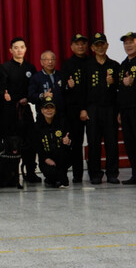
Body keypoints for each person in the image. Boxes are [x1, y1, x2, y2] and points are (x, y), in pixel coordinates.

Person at [0, 37, 39, 182]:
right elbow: (0, 88)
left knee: (29, 141)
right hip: (9, 111)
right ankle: (11, 174)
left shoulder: (31, 68)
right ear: (10, 50)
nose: (19, 50)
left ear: (26, 49)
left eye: (22, 47)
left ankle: (31, 172)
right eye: (16, 47)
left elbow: (34, 89)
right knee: (11, 143)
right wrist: (4, 95)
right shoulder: (4, 67)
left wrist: (28, 98)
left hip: (25, 110)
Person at [80, 33, 120, 184]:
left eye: (102, 44)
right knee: (94, 142)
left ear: (107, 46)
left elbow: (120, 90)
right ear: (92, 48)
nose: (100, 47)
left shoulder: (114, 66)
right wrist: (83, 109)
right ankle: (95, 173)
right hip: (92, 109)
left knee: (111, 142)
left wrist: (114, 81)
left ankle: (112, 173)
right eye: (97, 45)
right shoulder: (87, 66)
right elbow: (82, 90)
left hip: (110, 109)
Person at [61, 33, 89, 183]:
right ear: (71, 46)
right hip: (73, 110)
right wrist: (67, 86)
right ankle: (77, 174)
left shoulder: (91, 62)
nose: (80, 46)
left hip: (90, 108)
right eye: (77, 44)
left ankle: (95, 173)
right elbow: (63, 89)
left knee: (94, 141)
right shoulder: (67, 65)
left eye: (82, 43)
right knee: (76, 143)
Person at [33, 96, 72, 188]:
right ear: (42, 110)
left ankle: (60, 176)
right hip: (46, 159)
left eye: (51, 108)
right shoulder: (37, 127)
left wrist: (68, 141)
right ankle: (52, 178)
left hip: (61, 158)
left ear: (55, 109)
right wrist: (46, 159)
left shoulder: (62, 123)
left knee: (64, 182)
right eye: (46, 108)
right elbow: (37, 146)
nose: (49, 111)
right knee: (51, 174)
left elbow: (70, 138)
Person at [118, 32, 136, 185]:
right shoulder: (123, 65)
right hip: (125, 110)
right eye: (126, 43)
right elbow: (119, 90)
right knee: (130, 142)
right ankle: (134, 174)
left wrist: (132, 83)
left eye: (131, 42)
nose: (128, 45)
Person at [28, 50, 65, 119]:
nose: (50, 62)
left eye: (52, 59)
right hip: (43, 116)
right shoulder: (36, 77)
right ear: (41, 62)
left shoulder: (61, 75)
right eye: (47, 60)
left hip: (61, 115)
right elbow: (31, 96)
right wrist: (43, 95)